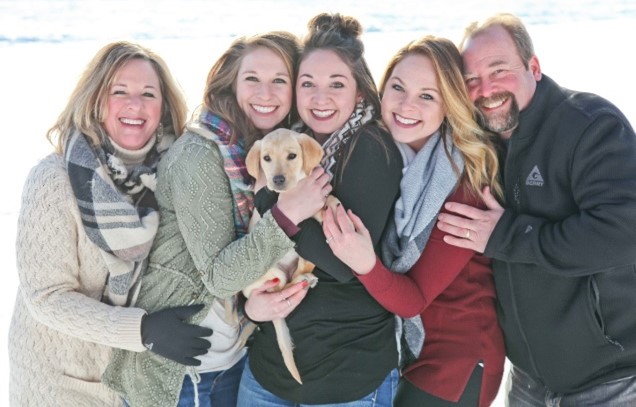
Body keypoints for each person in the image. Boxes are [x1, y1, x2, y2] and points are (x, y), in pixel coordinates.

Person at [103, 32, 331, 407]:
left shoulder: (256, 153)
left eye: (280, 80)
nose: (266, 92)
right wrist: (287, 215)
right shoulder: (202, 154)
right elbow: (220, 276)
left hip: (231, 357)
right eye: (252, 79)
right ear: (230, 83)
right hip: (184, 371)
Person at [436, 12, 636, 406]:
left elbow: (624, 233)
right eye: (472, 80)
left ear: (534, 67)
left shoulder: (590, 125)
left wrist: (507, 236)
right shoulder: (482, 146)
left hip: (610, 382)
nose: (486, 89)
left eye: (499, 70)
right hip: (527, 382)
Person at [7, 41, 204, 406]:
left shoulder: (173, 176)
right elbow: (46, 298)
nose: (135, 104)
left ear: (163, 108)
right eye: (120, 91)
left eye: (149, 93)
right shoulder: (54, 180)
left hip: (137, 379)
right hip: (63, 384)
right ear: (96, 100)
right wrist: (143, 330)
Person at [322, 35, 505, 406]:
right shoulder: (389, 160)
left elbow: (413, 300)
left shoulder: (463, 183)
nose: (406, 105)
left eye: (427, 96)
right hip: (413, 351)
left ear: (449, 105)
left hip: (458, 360)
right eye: (398, 88)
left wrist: (363, 262)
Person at [237, 13, 403, 406]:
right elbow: (260, 247)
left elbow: (344, 265)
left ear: (360, 92)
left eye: (336, 84)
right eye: (307, 83)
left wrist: (270, 201)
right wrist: (251, 306)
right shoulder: (290, 144)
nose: (319, 98)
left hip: (346, 376)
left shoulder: (370, 149)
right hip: (270, 369)